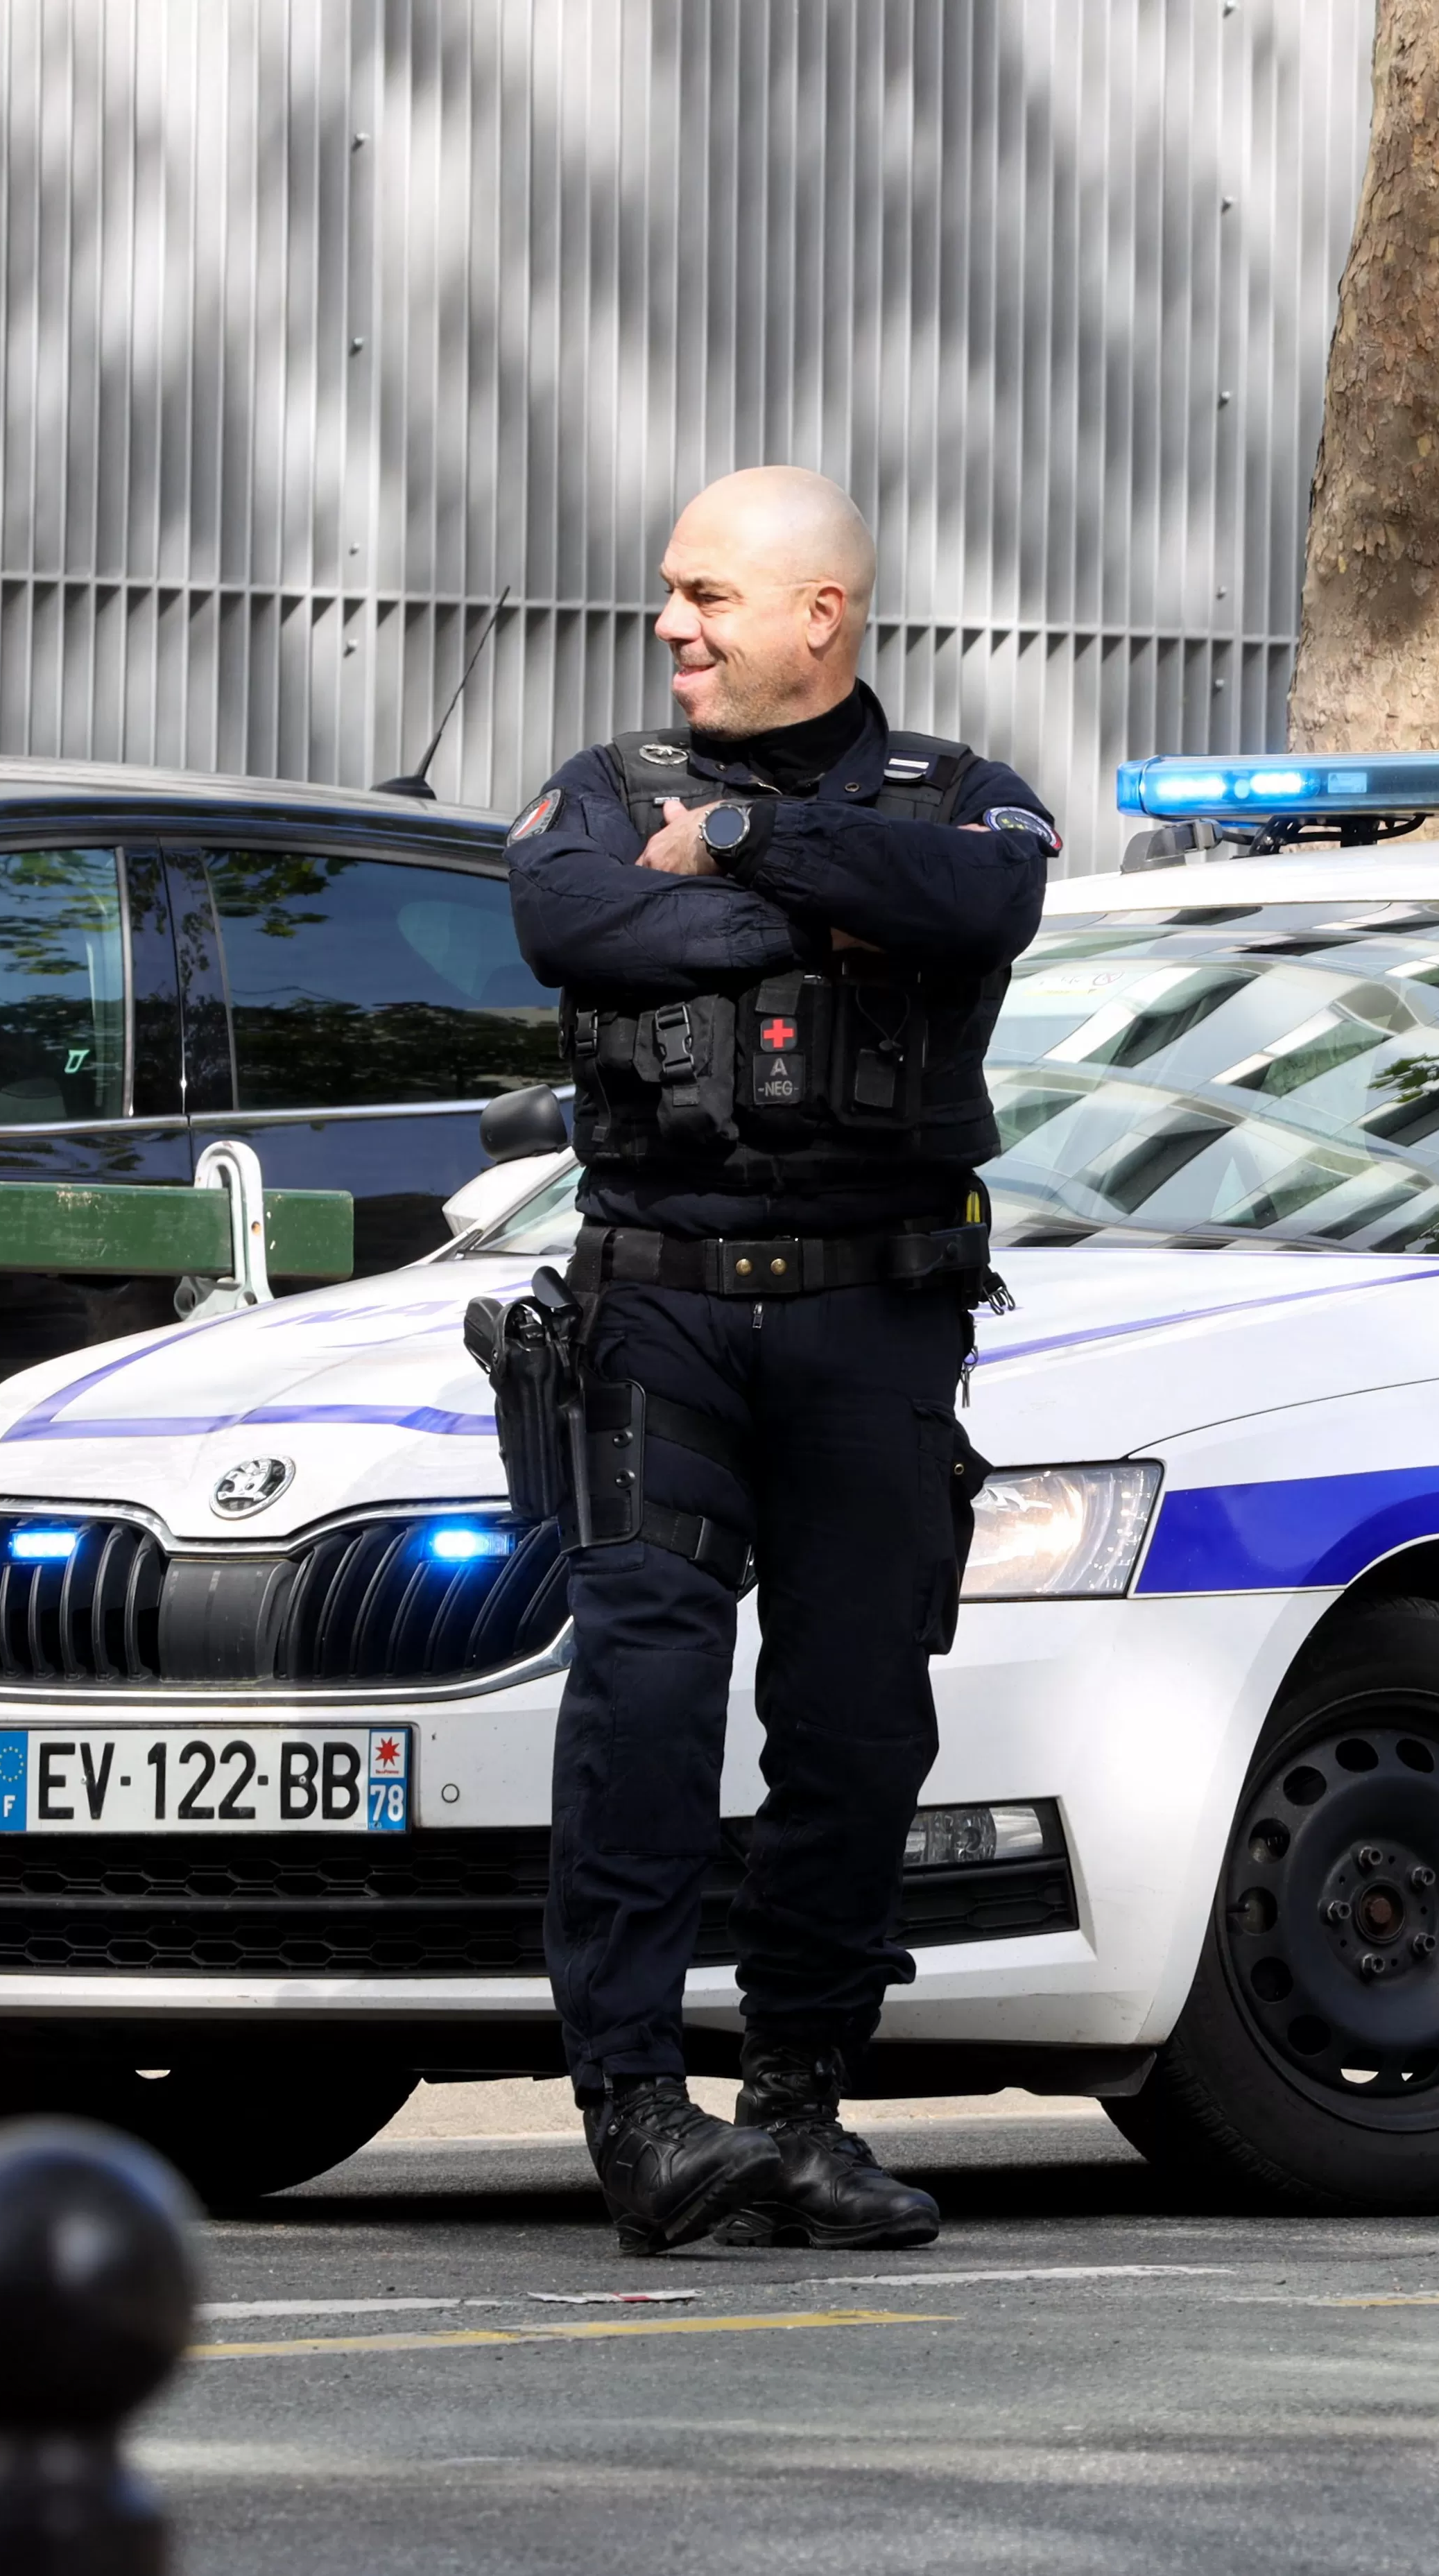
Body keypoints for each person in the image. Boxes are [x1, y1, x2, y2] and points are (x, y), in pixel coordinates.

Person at [501, 468, 1054, 2251]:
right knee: (643, 1703)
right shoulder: (602, 794)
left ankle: (798, 2109)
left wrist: (741, 851)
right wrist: (815, 912)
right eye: (671, 593)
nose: (673, 626)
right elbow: (573, 923)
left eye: (709, 598)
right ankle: (642, 2117)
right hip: (655, 1308)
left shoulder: (964, 802)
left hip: (874, 1319)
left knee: (852, 1721)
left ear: (820, 615)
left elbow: (974, 912)